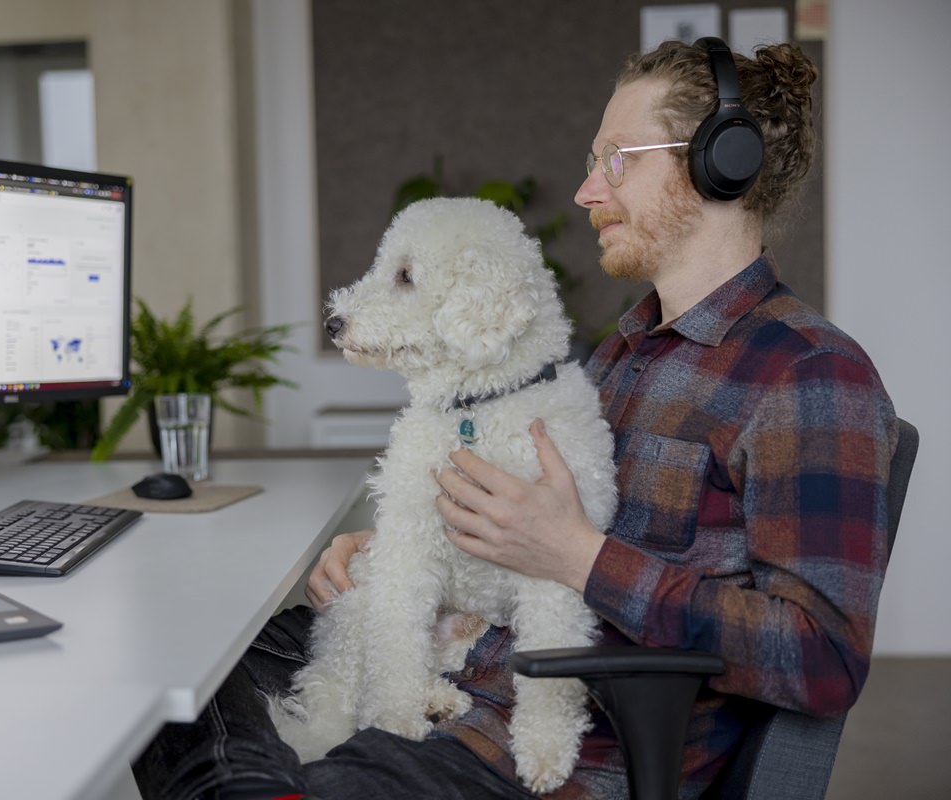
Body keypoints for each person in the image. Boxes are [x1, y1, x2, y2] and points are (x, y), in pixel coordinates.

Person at [132, 38, 897, 800]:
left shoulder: (810, 376)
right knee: (169, 680)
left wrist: (580, 557)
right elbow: (524, 538)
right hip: (467, 663)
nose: (587, 190)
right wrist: (418, 544)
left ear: (716, 163)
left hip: (554, 749)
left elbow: (820, 662)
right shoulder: (619, 354)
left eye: (616, 159)